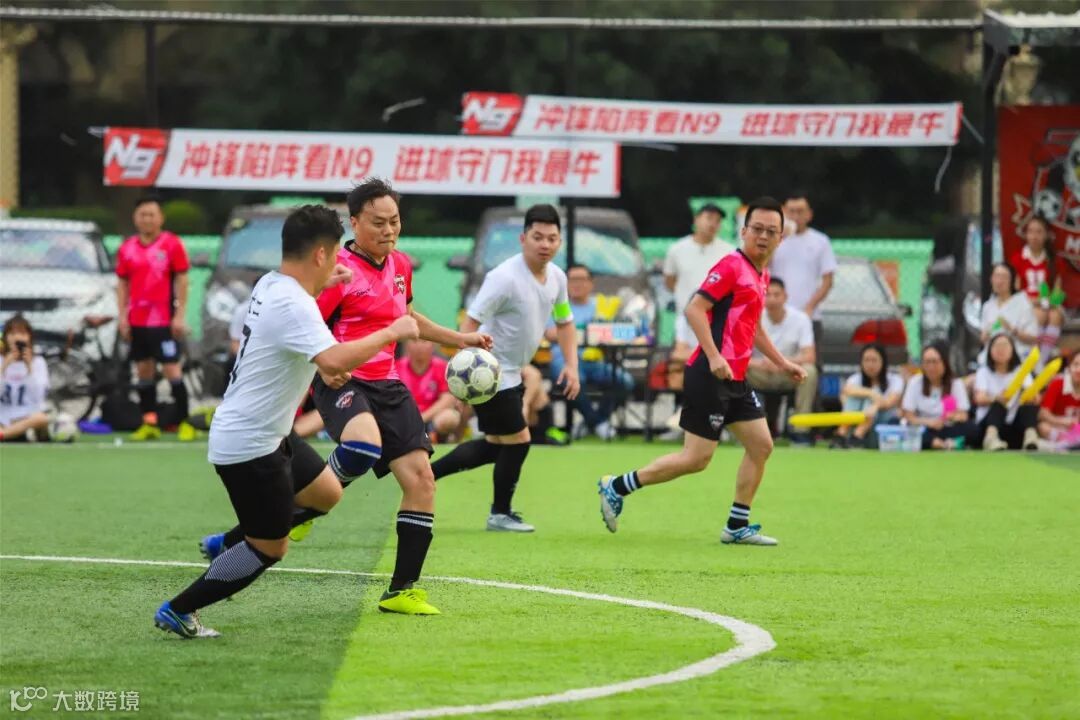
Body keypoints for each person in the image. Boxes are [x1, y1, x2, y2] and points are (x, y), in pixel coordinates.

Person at [155, 205, 420, 638]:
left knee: (327, 492)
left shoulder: (272, 283)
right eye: (334, 254)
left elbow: (307, 339)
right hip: (249, 445)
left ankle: (228, 543)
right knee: (270, 548)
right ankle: (180, 609)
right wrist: (392, 332)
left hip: (269, 433)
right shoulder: (294, 304)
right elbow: (333, 359)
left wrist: (325, 289)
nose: (338, 263)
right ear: (320, 254)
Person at [308, 178, 491, 615]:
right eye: (378, 223)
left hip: (388, 385)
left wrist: (460, 339)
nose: (389, 230)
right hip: (344, 380)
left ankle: (401, 590)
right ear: (354, 223)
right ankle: (304, 505)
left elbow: (408, 318)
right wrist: (325, 365)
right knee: (363, 445)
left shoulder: (401, 264)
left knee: (422, 479)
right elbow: (305, 325)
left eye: (395, 221)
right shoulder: (338, 271)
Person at [598, 197, 807, 545]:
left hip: (735, 378)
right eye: (757, 229)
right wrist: (713, 356)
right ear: (744, 231)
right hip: (709, 375)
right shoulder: (731, 265)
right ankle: (617, 486)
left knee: (761, 446)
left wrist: (782, 362)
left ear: (780, 238)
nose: (763, 236)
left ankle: (736, 526)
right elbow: (694, 309)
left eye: (771, 231)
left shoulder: (761, 273)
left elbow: (753, 327)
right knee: (695, 459)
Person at [431, 204, 580, 533]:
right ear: (523, 238)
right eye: (537, 237)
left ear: (560, 241)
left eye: (552, 238)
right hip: (491, 372)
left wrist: (572, 366)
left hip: (515, 371)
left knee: (497, 445)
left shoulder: (557, 277)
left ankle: (426, 475)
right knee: (519, 441)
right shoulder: (503, 278)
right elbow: (470, 322)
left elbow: (565, 322)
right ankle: (499, 514)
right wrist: (464, 379)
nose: (545, 244)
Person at [115, 195, 191, 441]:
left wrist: (179, 315)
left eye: (151, 214)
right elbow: (122, 284)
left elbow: (182, 280)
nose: (147, 219)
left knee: (172, 370)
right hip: (137, 321)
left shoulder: (172, 245)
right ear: (135, 218)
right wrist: (123, 317)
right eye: (142, 214)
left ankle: (184, 422)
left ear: (161, 218)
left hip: (164, 322)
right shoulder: (127, 248)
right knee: (144, 372)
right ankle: (149, 423)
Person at [661, 204, 735, 439]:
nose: (712, 223)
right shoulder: (677, 249)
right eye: (708, 218)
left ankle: (717, 423)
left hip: (717, 321)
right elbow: (670, 281)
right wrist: (693, 304)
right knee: (682, 369)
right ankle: (680, 423)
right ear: (696, 219)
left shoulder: (728, 251)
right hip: (687, 320)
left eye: (717, 220)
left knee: (717, 370)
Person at [546, 264, 636, 441]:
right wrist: (583, 333)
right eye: (572, 280)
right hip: (564, 359)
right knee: (572, 379)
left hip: (594, 360)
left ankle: (591, 423)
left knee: (625, 381)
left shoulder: (601, 307)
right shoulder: (559, 305)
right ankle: (598, 423)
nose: (577, 284)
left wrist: (598, 334)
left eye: (581, 279)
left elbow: (614, 332)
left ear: (591, 283)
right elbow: (550, 333)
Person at [745, 277, 818, 436]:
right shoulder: (751, 316)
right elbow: (738, 355)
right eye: (767, 294)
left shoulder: (801, 319)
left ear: (785, 296)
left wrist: (782, 363)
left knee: (810, 371)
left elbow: (810, 356)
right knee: (734, 370)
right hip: (760, 372)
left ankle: (801, 431)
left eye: (776, 295)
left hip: (788, 373)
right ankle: (742, 429)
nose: (771, 299)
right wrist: (760, 363)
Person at [770, 193, 837, 348]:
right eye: (791, 211)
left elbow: (827, 281)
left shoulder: (820, 241)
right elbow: (760, 267)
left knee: (808, 360)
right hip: (775, 316)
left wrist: (809, 308)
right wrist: (778, 237)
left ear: (809, 214)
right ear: (783, 213)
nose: (795, 216)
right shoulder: (772, 239)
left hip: (808, 316)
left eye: (800, 211)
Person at [970, 333, 1040, 451]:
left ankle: (1031, 437)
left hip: (1013, 424)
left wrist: (1031, 397)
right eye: (997, 346)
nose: (1001, 349)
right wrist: (996, 398)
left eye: (1005, 345)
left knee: (1028, 406)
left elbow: (1034, 395)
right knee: (998, 405)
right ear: (990, 350)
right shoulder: (983, 372)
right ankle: (991, 439)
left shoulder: (1021, 371)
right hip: (989, 423)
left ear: (1013, 350)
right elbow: (979, 398)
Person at [900, 343, 975, 450]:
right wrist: (929, 422)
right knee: (900, 425)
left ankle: (942, 442)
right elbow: (909, 416)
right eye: (927, 362)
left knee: (972, 429)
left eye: (935, 362)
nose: (931, 367)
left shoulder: (956, 383)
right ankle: (936, 442)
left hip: (947, 427)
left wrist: (952, 417)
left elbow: (963, 415)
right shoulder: (915, 382)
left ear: (945, 363)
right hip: (924, 427)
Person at [1009, 216, 1065, 357]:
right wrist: (1034, 301)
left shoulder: (1054, 260)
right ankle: (1033, 355)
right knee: (1039, 314)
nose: (1034, 236)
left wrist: (1051, 302)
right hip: (1026, 303)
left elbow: (1057, 289)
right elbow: (1015, 290)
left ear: (1046, 235)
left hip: (1047, 303)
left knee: (1055, 316)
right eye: (1031, 232)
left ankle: (1043, 357)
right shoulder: (1018, 259)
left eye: (1039, 232)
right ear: (1026, 235)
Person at [832, 343, 904, 448]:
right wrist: (871, 393)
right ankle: (842, 434)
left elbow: (889, 402)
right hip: (857, 422)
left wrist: (875, 405)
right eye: (866, 360)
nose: (870, 365)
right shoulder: (855, 378)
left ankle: (857, 436)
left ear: (883, 362)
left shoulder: (895, 380)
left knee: (872, 396)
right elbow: (847, 391)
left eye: (874, 360)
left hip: (880, 430)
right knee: (856, 397)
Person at [396, 339, 462, 442]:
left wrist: (421, 418)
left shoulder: (442, 366)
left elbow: (447, 399)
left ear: (432, 345)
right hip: (405, 418)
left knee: (450, 417)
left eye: (424, 341)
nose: (419, 346)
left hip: (432, 417)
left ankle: (440, 438)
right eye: (415, 341)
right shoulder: (396, 367)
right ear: (407, 345)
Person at [0, 316, 50, 442]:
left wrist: (29, 368)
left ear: (29, 337)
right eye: (12, 334)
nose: (17, 337)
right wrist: (4, 367)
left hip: (26, 417)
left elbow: (38, 397)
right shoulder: (1, 361)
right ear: (5, 337)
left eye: (22, 333)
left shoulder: (38, 362)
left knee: (42, 418)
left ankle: (4, 434)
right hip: (3, 416)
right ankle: (10, 433)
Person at [980, 262, 1038, 359]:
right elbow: (982, 338)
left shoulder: (1023, 303)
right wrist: (989, 332)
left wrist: (1011, 329)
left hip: (1019, 358)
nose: (999, 281)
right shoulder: (987, 306)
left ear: (1012, 281)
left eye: (1004, 277)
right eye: (996, 276)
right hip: (991, 359)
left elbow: (1033, 338)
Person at [1037, 352, 1080, 449]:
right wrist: (1063, 422)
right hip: (1057, 427)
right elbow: (1043, 413)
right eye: (1075, 364)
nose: (1078, 370)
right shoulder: (1057, 383)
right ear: (1069, 367)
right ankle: (1065, 442)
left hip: (1077, 429)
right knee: (1043, 427)